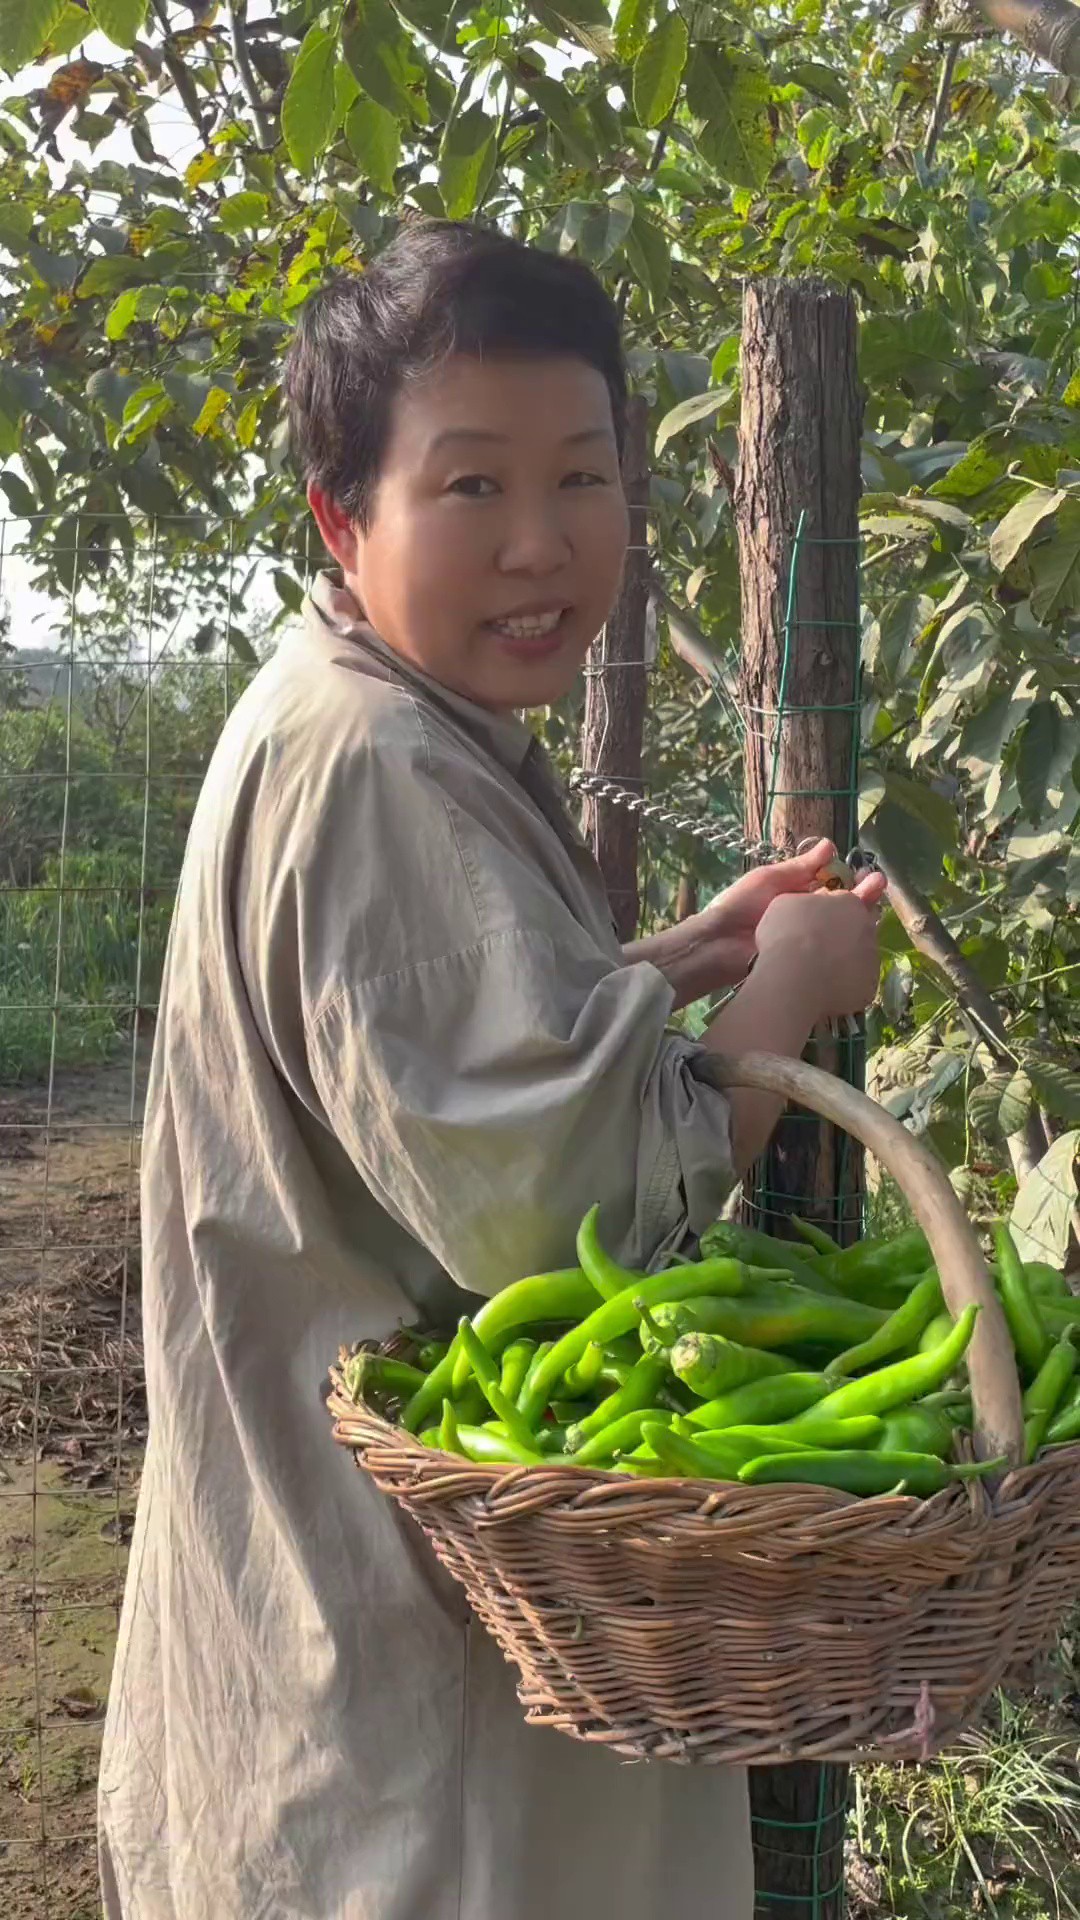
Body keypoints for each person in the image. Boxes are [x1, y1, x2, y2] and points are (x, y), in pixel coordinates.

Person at [98, 219, 884, 1920]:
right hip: (423, 1702)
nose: (544, 546)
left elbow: (444, 1050)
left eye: (584, 478)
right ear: (342, 515)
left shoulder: (348, 707)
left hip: (324, 1625)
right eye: (470, 489)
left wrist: (679, 963)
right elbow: (564, 1222)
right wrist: (787, 1006)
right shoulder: (385, 769)